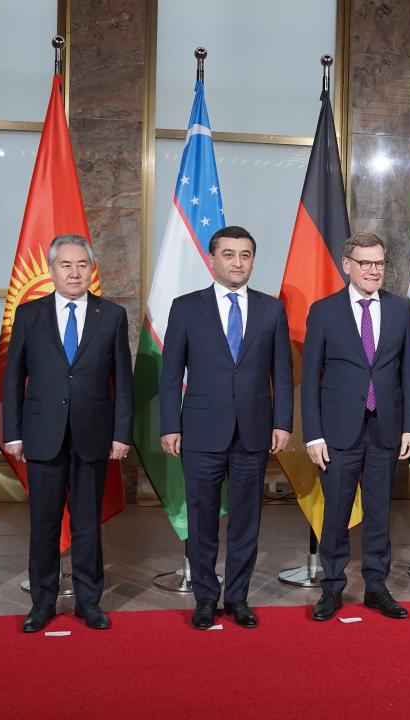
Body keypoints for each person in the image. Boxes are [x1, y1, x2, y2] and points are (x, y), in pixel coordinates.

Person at [159, 225, 293, 630]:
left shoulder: (271, 309)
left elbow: (282, 373)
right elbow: (170, 374)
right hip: (200, 431)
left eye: (245, 255)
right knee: (201, 519)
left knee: (246, 519)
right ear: (212, 259)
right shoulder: (186, 307)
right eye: (229, 254)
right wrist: (169, 425)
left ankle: (237, 597)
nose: (238, 262)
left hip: (254, 430)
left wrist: (282, 422)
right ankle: (205, 597)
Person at [2, 234, 132, 632]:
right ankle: (42, 603)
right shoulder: (30, 314)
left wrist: (121, 434)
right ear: (51, 270)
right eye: (66, 265)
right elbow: (14, 377)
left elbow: (123, 381)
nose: (74, 272)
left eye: (81, 265)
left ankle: (89, 602)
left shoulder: (111, 315)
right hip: (42, 435)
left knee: (87, 525)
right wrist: (13, 433)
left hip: (93, 435)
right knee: (44, 525)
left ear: (91, 269)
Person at [301, 231, 410, 621]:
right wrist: (313, 434)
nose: (373, 270)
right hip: (338, 431)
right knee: (336, 514)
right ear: (346, 265)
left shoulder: (401, 310)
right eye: (365, 263)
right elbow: (310, 378)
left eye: (379, 263)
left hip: (386, 429)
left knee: (379, 513)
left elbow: (407, 373)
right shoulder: (324, 311)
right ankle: (332, 587)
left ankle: (376, 587)